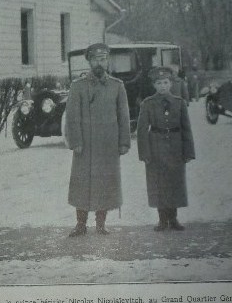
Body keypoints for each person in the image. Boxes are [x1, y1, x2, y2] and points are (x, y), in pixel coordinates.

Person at [65, 42, 130, 236]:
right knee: (81, 184)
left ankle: (101, 224)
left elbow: (123, 116)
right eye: (95, 59)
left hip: (107, 146)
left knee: (106, 183)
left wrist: (124, 142)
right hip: (84, 146)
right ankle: (80, 224)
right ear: (89, 62)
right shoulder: (78, 86)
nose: (99, 63)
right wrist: (75, 141)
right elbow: (72, 116)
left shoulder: (117, 86)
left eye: (103, 59)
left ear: (108, 60)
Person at [136, 66, 195, 231]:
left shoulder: (179, 103)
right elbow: (141, 131)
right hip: (156, 148)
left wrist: (189, 152)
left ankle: (173, 218)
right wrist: (145, 153)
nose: (162, 86)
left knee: (175, 182)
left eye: (165, 82)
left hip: (176, 148)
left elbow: (187, 129)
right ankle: (162, 219)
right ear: (154, 85)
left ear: (171, 84)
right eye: (159, 83)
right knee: (159, 183)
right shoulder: (148, 104)